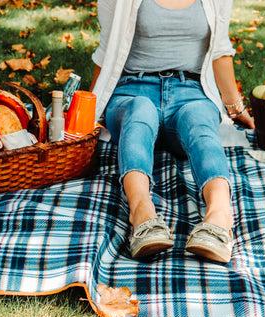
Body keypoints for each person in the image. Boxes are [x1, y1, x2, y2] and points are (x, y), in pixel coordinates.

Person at [89, 0, 255, 263]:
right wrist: (88, 110)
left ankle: (220, 217)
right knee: (140, 112)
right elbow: (106, 51)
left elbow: (221, 52)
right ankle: (142, 215)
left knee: (200, 122)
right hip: (132, 89)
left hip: (190, 91)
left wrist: (236, 109)